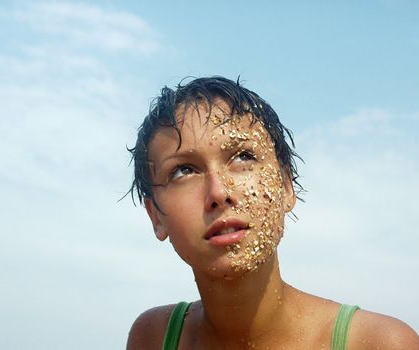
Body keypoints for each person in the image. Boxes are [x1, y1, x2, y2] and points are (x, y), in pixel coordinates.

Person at [126, 76, 418, 350]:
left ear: (286, 187)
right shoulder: (155, 336)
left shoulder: (379, 343)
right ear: (156, 216)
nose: (219, 192)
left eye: (243, 157)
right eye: (183, 171)